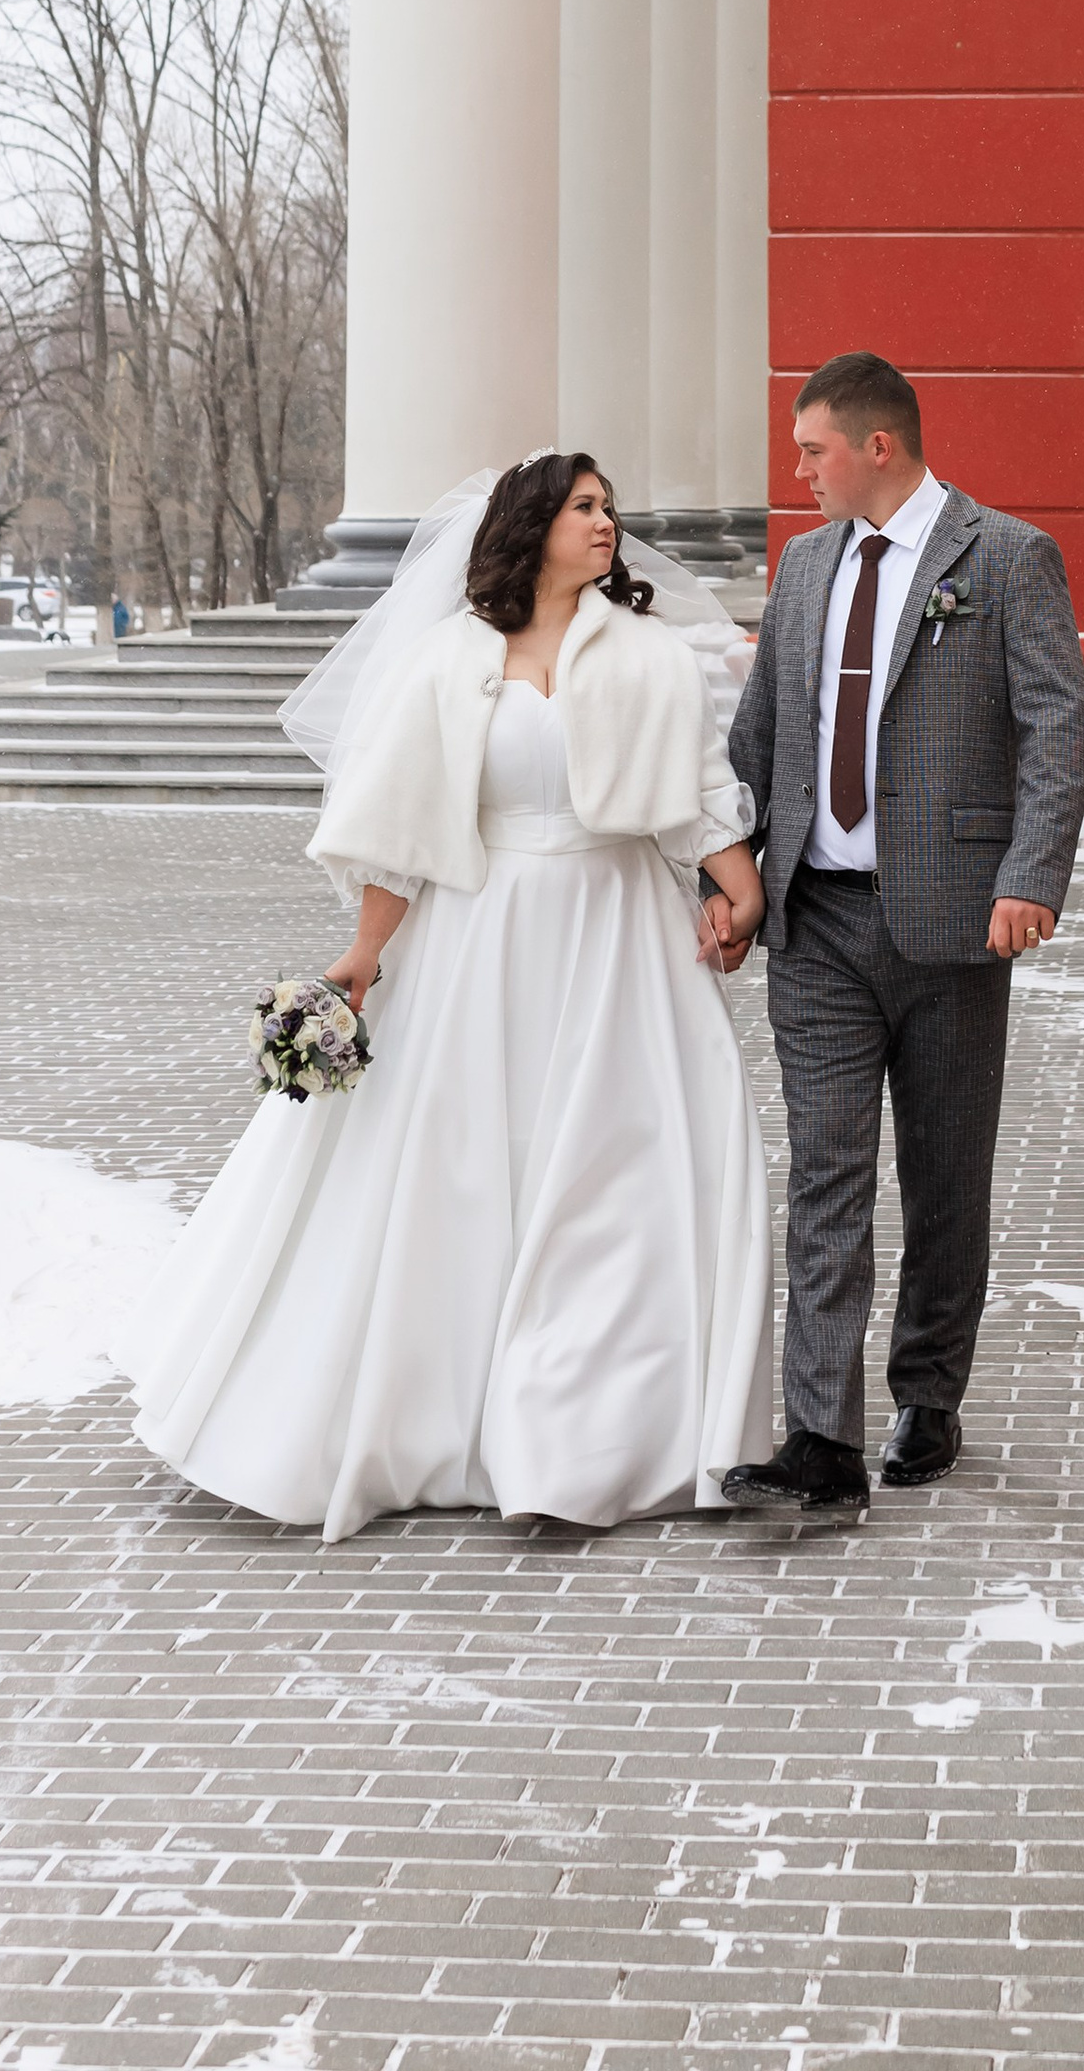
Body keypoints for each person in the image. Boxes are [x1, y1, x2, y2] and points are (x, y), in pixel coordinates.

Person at [117, 454, 773, 1539]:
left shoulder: (651, 655)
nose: (607, 523)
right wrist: (365, 959)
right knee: (467, 1177)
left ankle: (583, 1442)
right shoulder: (445, 661)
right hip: (482, 936)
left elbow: (701, 791)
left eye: (609, 507)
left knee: (618, 1177)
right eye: (583, 508)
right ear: (531, 527)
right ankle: (444, 1426)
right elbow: (402, 828)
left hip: (620, 941)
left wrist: (737, 895)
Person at [716, 352, 1084, 1509]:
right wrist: (725, 878)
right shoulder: (802, 564)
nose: (800, 470)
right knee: (827, 1173)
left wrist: (1030, 876)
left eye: (813, 448)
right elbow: (759, 736)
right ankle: (818, 1439)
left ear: (880, 444)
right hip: (817, 920)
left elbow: (1056, 730)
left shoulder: (1007, 556)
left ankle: (928, 1394)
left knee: (942, 1176)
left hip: (954, 924)